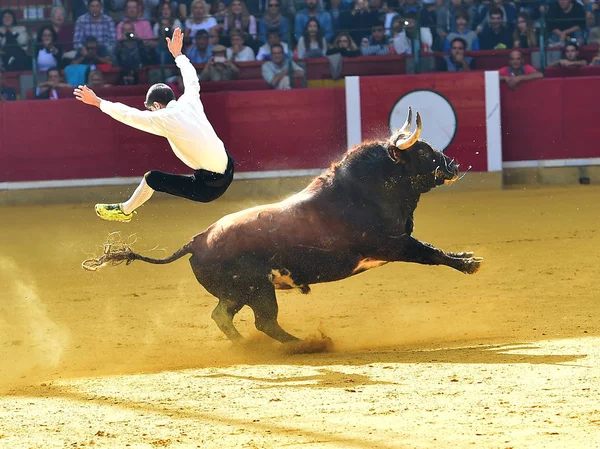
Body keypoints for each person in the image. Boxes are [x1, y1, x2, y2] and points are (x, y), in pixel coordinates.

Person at [73, 27, 236, 223]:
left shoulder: (164, 117)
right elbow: (191, 78)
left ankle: (125, 211)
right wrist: (178, 54)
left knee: (153, 179)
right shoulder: (190, 100)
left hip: (210, 187)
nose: (151, 112)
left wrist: (98, 102)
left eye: (151, 108)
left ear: (157, 105)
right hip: (228, 169)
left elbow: (129, 115)